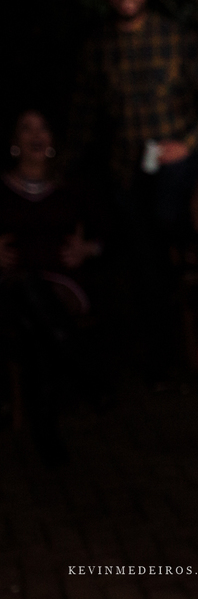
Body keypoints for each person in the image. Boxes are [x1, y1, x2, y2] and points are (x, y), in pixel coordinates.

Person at [68, 0, 198, 383]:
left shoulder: (176, 38)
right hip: (126, 170)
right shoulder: (98, 49)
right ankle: (164, 360)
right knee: (145, 268)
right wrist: (63, 165)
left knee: (162, 225)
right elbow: (83, 114)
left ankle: (185, 261)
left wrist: (187, 144)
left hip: (175, 165)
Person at [1, 108, 103, 465]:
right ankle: (79, 364)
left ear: (53, 140)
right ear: (15, 141)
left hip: (62, 285)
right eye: (26, 128)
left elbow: (109, 237)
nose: (35, 136)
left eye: (42, 128)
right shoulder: (2, 188)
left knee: (36, 320)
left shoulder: (71, 188)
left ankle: (44, 429)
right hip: (10, 285)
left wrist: (88, 249)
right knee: (27, 294)